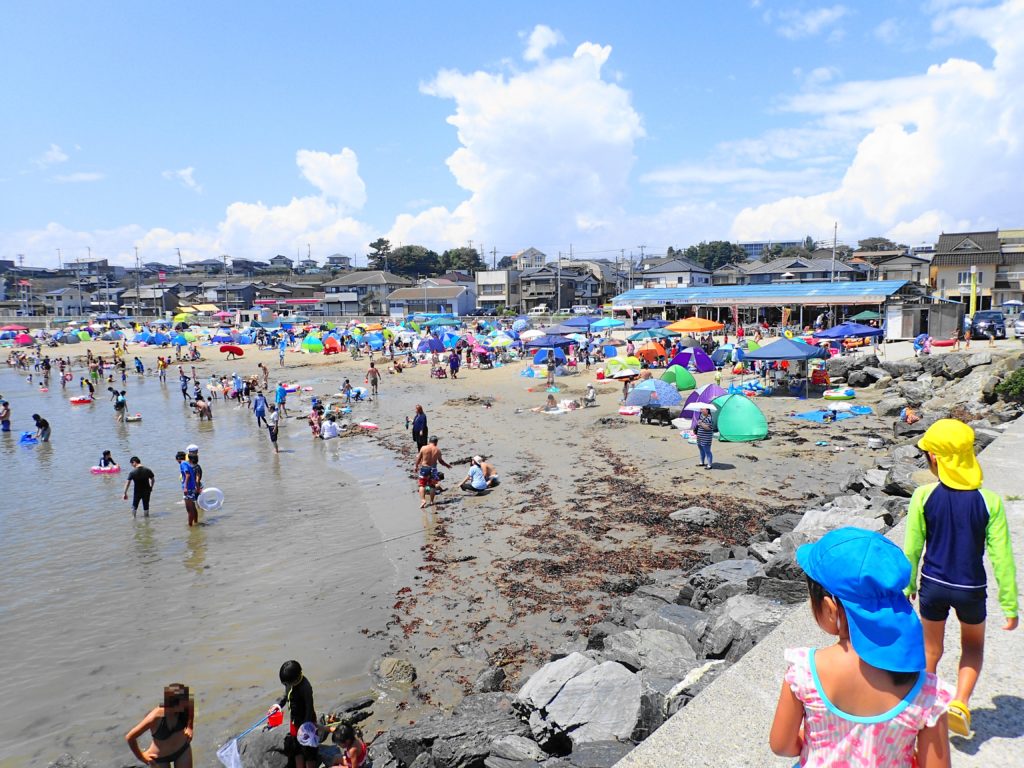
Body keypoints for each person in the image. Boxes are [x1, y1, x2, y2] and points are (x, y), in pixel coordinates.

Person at [770, 527, 951, 767]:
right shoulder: (927, 693)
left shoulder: (804, 673)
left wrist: (814, 742)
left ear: (829, 609)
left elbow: (781, 745)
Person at [903, 419, 1019, 736]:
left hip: (933, 586)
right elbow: (1002, 557)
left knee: (930, 649)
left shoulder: (923, 496)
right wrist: (1009, 604)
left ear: (936, 459)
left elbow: (912, 548)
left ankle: (920, 705)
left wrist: (908, 585)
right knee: (972, 647)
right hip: (971, 589)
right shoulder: (990, 501)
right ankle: (960, 703)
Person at [125, 683, 194, 767]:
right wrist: (142, 757)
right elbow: (130, 737)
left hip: (182, 750)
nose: (186, 705)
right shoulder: (155, 717)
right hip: (160, 758)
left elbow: (190, 706)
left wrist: (190, 727)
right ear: (172, 704)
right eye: (183, 704)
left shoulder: (185, 705)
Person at [268, 660, 317, 768]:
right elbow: (285, 696)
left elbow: (309, 707)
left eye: (286, 684)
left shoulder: (306, 687)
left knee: (309, 752)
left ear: (295, 680)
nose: (286, 686)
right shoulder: (290, 683)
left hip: (306, 721)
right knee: (296, 748)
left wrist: (306, 725)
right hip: (294, 720)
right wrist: (278, 705)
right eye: (284, 684)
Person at [415, 436, 452, 509]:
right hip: (433, 469)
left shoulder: (423, 448)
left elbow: (419, 458)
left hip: (425, 468)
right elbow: (441, 461)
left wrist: (416, 466)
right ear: (436, 442)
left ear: (429, 441)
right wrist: (447, 465)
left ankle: (423, 500)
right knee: (432, 486)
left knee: (422, 485)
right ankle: (432, 501)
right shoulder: (437, 450)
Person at [178, 449, 199, 527]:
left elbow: (187, 475)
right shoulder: (188, 463)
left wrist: (185, 487)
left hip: (188, 488)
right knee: (193, 507)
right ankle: (196, 522)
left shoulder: (183, 464)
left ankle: (190, 526)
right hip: (192, 488)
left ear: (178, 458)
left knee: (189, 510)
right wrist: (197, 487)